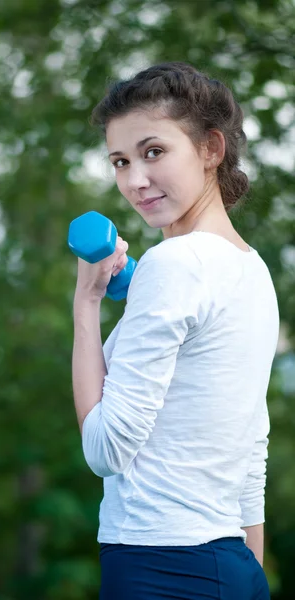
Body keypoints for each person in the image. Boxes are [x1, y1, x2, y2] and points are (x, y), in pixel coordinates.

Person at [71, 62, 279, 599]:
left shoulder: (175, 264)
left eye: (153, 152)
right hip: (231, 565)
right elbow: (250, 449)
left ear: (211, 149)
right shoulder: (252, 269)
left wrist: (87, 301)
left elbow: (105, 450)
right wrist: (248, 576)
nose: (135, 179)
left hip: (157, 567)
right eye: (121, 161)